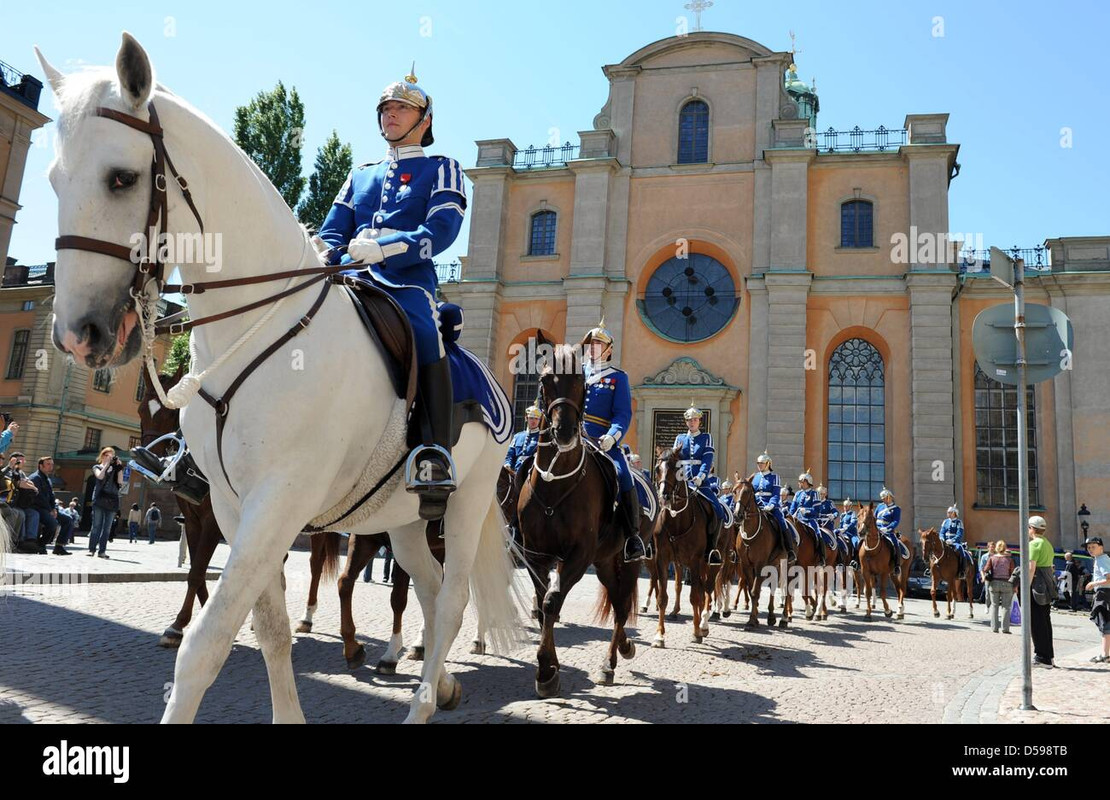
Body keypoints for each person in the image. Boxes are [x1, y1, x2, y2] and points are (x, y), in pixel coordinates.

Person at [316, 68, 466, 523]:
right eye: (385, 108)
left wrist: (383, 247)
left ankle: (435, 452)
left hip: (405, 282)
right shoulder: (359, 175)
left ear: (425, 119)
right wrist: (334, 255)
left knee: (425, 332)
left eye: (401, 107)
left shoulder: (443, 168)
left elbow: (441, 231)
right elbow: (330, 230)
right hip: (347, 276)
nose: (391, 114)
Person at [579, 322, 644, 562]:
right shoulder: (576, 373)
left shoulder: (617, 377)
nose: (592, 347)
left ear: (608, 349)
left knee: (623, 473)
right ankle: (517, 524)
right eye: (590, 344)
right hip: (574, 437)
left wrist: (612, 436)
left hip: (601, 440)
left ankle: (632, 537)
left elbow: (623, 414)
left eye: (598, 343)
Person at [673, 405, 724, 566]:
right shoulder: (680, 438)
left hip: (700, 482)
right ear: (686, 422)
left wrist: (701, 476)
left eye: (695, 420)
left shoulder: (707, 437)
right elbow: (674, 459)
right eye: (689, 420)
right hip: (681, 480)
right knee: (665, 507)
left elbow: (707, 460)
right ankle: (655, 544)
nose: (692, 422)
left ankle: (712, 548)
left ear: (699, 421)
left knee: (718, 510)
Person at [752, 451, 794, 565]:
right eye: (758, 463)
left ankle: (790, 550)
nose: (759, 465)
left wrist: (771, 505)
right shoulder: (755, 477)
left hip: (771, 506)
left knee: (782, 522)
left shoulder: (775, 477)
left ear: (768, 464)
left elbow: (776, 494)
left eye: (762, 463)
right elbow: (752, 493)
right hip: (756, 505)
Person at [1026, 515, 1057, 667]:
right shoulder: (1048, 544)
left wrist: (1026, 587)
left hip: (1037, 586)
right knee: (1045, 620)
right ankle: (1049, 656)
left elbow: (1031, 568)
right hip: (1047, 585)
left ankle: (1042, 657)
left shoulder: (1034, 544)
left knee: (1037, 622)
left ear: (1031, 528)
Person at [27, 456, 72, 555]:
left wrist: (54, 508)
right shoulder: (35, 478)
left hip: (49, 508)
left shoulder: (48, 479)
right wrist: (50, 510)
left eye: (52, 464)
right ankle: (41, 545)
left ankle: (59, 546)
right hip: (37, 508)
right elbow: (39, 497)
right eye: (48, 464)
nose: (51, 466)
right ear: (40, 466)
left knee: (68, 519)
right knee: (53, 523)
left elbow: (52, 496)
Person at [88, 447, 124, 559]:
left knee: (107, 528)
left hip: (112, 500)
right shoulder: (97, 467)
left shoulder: (115, 468)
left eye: (112, 456)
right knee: (96, 526)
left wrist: (119, 468)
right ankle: (92, 549)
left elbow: (120, 482)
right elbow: (100, 476)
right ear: (103, 456)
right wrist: (107, 465)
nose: (111, 458)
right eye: (108, 455)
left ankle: (102, 551)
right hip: (99, 499)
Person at [5, 453, 40, 553]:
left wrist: (31, 485)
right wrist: (33, 488)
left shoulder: (21, 472)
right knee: (19, 514)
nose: (23, 462)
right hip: (7, 502)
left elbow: (28, 482)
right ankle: (15, 541)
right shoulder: (8, 471)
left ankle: (28, 540)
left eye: (23, 460)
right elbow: (19, 483)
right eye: (20, 460)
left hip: (18, 503)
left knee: (33, 514)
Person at [1084, 536, 1110, 664]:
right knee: (1105, 624)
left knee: (1105, 624)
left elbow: (1109, 578)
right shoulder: (1101, 559)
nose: (1090, 549)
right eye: (1089, 547)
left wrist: (1093, 584)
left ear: (1101, 547)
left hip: (1104, 594)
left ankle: (1105, 655)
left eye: (1093, 547)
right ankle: (1105, 654)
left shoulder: (1101, 560)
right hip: (1104, 593)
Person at [984, 540, 1016, 634]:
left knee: (994, 606)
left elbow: (985, 569)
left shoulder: (992, 558)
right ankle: (1005, 629)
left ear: (997, 548)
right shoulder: (1009, 560)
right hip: (1007, 584)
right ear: (1005, 548)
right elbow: (1013, 573)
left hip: (994, 583)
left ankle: (994, 628)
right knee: (1006, 607)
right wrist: (1015, 586)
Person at [504, 405, 541, 473]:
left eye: (536, 419)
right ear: (526, 418)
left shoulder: (541, 437)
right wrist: (507, 464)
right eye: (531, 418)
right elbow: (510, 454)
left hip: (533, 472)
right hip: (516, 471)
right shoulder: (517, 436)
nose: (534, 421)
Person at [875, 488, 903, 577]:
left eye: (884, 498)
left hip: (887, 531)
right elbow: (874, 517)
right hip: (876, 529)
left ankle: (897, 565)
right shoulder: (880, 506)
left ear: (889, 497)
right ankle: (857, 560)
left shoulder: (896, 509)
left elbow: (896, 521)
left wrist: (887, 528)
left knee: (895, 544)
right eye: (882, 498)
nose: (883, 500)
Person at [939, 504, 970, 578]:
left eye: (949, 512)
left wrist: (952, 541)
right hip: (944, 541)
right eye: (948, 512)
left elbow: (959, 534)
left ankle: (962, 570)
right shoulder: (945, 521)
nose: (948, 514)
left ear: (954, 513)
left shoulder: (959, 522)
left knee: (960, 549)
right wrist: (942, 538)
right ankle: (930, 569)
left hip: (955, 542)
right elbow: (942, 532)